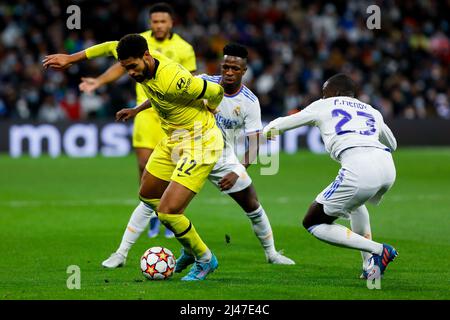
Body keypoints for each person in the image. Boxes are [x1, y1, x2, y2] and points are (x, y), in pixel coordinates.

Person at [96, 43, 295, 270]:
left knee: (252, 205)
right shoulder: (203, 82)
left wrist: (237, 170)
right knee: (153, 201)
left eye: (235, 69)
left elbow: (255, 142)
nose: (229, 72)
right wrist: (137, 109)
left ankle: (271, 253)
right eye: (226, 67)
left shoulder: (250, 103)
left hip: (221, 157)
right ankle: (122, 253)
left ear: (244, 71)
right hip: (186, 147)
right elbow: (165, 94)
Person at [43, 34, 224, 281]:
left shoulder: (177, 80)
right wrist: (72, 58)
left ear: (146, 57)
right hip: (174, 139)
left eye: (132, 66)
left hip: (201, 142)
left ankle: (204, 259)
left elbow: (216, 90)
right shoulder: (145, 69)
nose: (129, 72)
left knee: (168, 212)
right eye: (125, 67)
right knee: (147, 194)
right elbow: (109, 46)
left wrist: (212, 108)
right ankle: (189, 247)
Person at [263, 73, 398, 279]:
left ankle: (379, 250)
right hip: (387, 166)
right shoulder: (372, 110)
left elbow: (279, 125)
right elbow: (393, 144)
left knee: (313, 222)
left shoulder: (323, 105)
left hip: (358, 166)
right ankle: (370, 267)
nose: (323, 97)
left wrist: (265, 132)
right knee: (355, 205)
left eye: (324, 93)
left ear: (335, 92)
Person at [78, 3, 196, 239]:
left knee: (174, 168)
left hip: (172, 115)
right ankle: (153, 215)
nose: (159, 25)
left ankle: (171, 213)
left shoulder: (184, 48)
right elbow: (120, 66)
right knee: (144, 166)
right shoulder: (139, 42)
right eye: (155, 21)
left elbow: (190, 80)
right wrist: (98, 82)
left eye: (163, 21)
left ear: (171, 23)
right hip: (144, 112)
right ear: (150, 23)